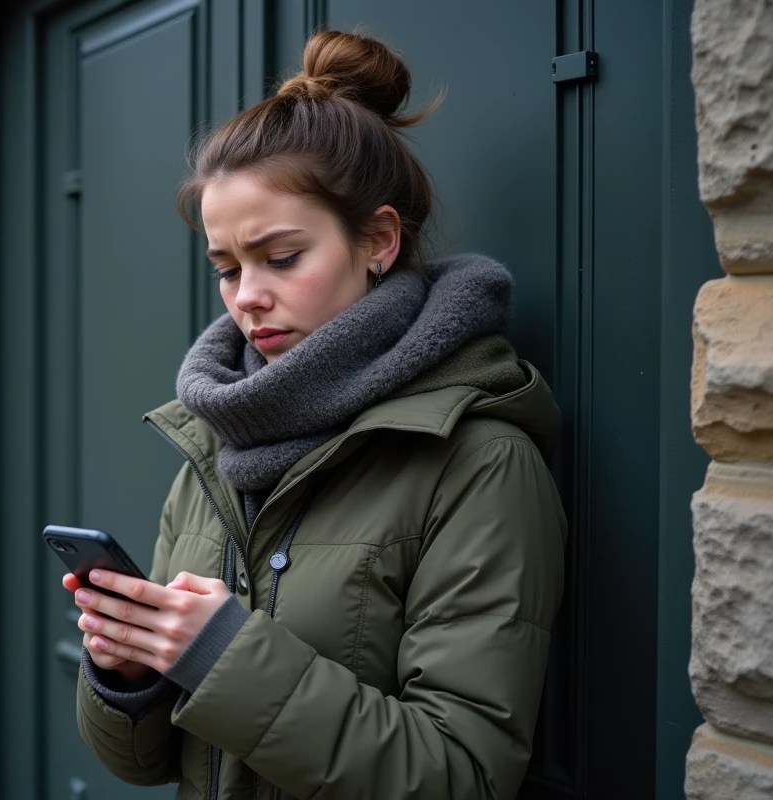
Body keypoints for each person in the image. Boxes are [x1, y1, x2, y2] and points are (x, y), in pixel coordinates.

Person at [62, 28, 566, 800]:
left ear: (379, 241)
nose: (246, 297)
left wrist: (223, 657)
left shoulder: (479, 460)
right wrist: (128, 672)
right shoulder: (215, 441)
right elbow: (145, 764)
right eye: (227, 267)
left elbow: (462, 774)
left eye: (281, 258)